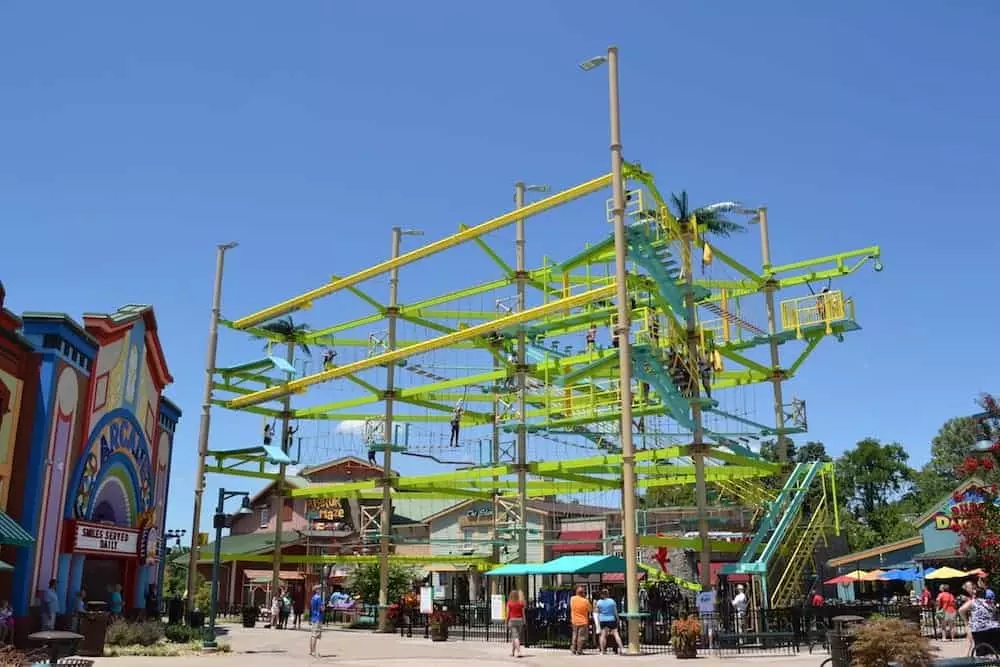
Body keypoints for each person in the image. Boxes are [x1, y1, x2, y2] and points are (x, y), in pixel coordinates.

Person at [961, 580, 1000, 655]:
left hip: (979, 628)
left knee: (981, 654)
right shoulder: (991, 603)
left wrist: (966, 621)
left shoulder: (974, 601)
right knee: (996, 652)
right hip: (994, 627)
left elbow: (961, 610)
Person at [596, 589, 624, 655]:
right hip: (611, 619)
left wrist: (598, 621)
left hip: (602, 619)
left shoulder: (599, 602)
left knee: (603, 635)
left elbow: (597, 612)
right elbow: (615, 611)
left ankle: (602, 651)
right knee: (616, 634)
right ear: (608, 594)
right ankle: (622, 649)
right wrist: (617, 619)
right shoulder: (612, 601)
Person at [569, 586, 592, 655]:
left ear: (576, 592)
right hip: (583, 621)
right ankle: (579, 650)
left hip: (574, 620)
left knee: (574, 635)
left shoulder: (572, 599)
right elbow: (590, 610)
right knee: (581, 636)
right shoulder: (585, 601)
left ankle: (573, 649)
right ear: (583, 593)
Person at [506, 590, 525, 658]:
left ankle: (519, 651)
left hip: (512, 620)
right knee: (516, 637)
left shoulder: (509, 603)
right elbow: (523, 613)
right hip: (520, 620)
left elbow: (508, 614)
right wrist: (524, 621)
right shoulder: (521, 603)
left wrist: (506, 621)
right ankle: (512, 652)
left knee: (515, 637)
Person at [309, 585, 324, 657]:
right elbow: (322, 608)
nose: (321, 590)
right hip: (318, 617)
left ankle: (311, 651)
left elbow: (311, 608)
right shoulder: (319, 598)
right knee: (315, 635)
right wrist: (324, 607)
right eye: (320, 589)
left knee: (312, 635)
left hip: (313, 617)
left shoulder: (312, 598)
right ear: (317, 590)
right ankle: (314, 651)